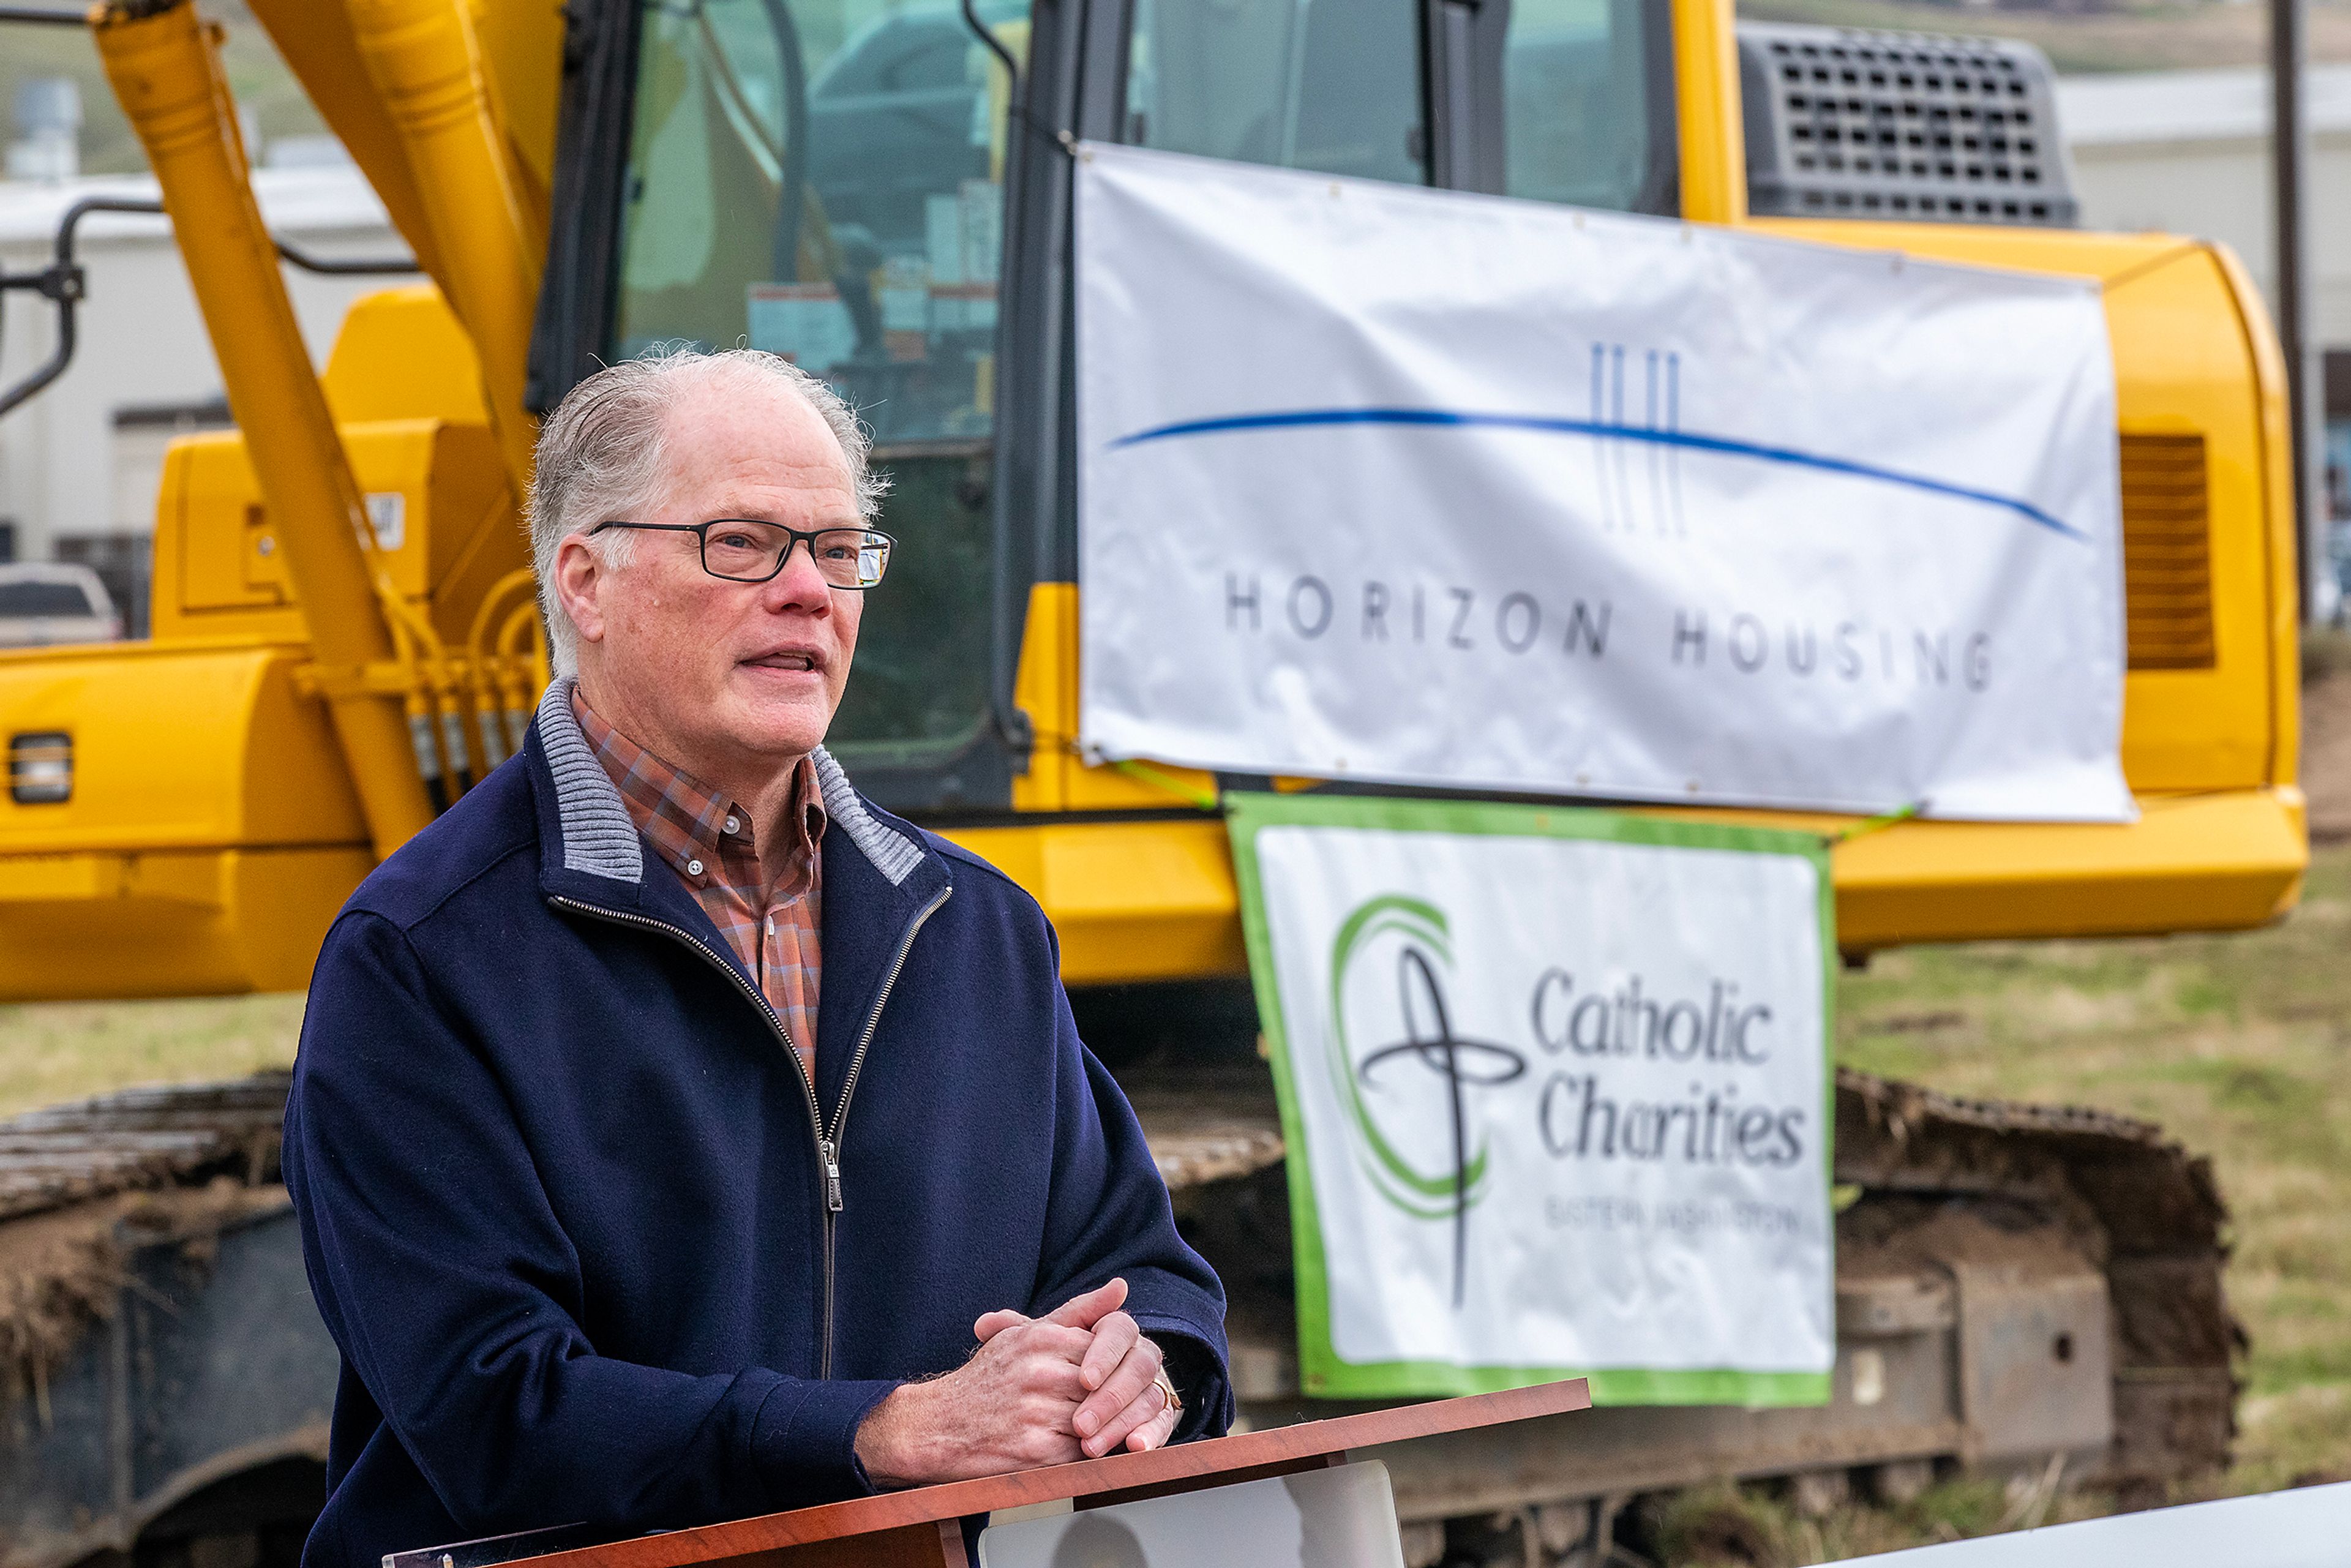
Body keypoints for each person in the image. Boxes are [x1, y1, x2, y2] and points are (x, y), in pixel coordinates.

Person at [282, 347, 1230, 1567]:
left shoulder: (976, 929)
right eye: (743, 543)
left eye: (838, 551)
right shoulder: (420, 957)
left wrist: (1144, 1373)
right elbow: (489, 1406)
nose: (808, 593)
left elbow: (1141, 1266)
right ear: (589, 582)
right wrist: (878, 1434)